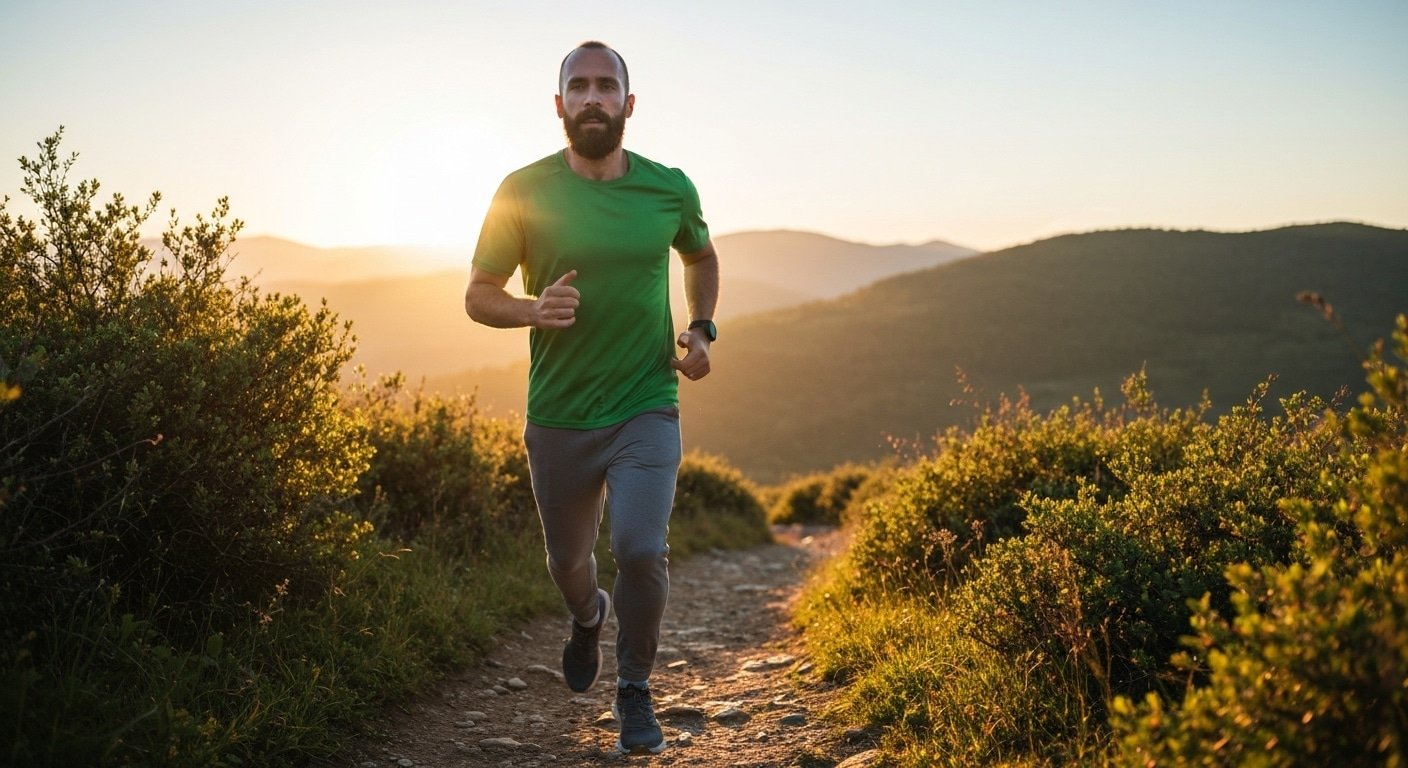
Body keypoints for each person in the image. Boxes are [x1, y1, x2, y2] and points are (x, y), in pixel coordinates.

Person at [463, 40, 719, 756]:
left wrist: (701, 329)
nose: (593, 98)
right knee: (569, 565)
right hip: (560, 415)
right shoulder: (522, 190)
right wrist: (530, 311)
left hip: (646, 401)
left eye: (607, 86)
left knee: (641, 549)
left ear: (629, 104)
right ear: (559, 105)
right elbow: (478, 297)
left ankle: (634, 687)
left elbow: (700, 255)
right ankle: (587, 618)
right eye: (579, 87)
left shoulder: (669, 188)